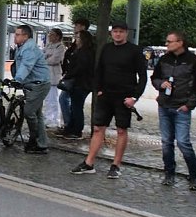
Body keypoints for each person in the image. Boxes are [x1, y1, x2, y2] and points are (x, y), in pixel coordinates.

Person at [71, 20, 147, 178]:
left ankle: (116, 165)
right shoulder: (106, 49)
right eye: (115, 31)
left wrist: (134, 97)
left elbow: (143, 77)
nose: (117, 34)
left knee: (121, 130)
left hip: (124, 97)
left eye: (121, 31)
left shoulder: (134, 51)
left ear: (126, 33)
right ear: (111, 33)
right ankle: (89, 162)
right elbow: (99, 71)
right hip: (105, 95)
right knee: (98, 128)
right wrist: (98, 90)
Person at [150, 30, 196, 189]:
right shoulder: (164, 59)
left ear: (180, 42)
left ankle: (195, 175)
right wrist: (161, 84)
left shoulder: (194, 61)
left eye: (169, 41)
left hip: (182, 106)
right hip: (165, 104)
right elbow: (155, 78)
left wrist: (188, 105)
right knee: (166, 142)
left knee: (183, 142)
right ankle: (169, 173)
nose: (166, 44)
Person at [12, 25, 51, 153]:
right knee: (37, 114)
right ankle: (42, 144)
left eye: (17, 34)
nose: (15, 36)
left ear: (25, 36)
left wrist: (17, 80)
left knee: (29, 112)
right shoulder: (23, 47)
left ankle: (34, 140)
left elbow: (26, 66)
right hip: (34, 83)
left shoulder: (29, 48)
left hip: (38, 84)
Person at [58, 30, 95, 139]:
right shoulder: (84, 51)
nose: (76, 40)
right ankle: (71, 128)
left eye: (78, 38)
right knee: (75, 106)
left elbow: (79, 68)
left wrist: (67, 76)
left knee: (77, 107)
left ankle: (76, 130)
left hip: (80, 83)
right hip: (80, 83)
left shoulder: (84, 53)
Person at [43, 28, 66, 128]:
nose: (49, 36)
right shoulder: (48, 45)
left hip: (55, 76)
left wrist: (46, 57)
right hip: (47, 75)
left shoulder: (60, 47)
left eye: (52, 34)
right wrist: (47, 56)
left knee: (55, 99)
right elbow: (41, 56)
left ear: (57, 36)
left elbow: (55, 59)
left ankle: (55, 119)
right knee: (48, 99)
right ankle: (48, 118)